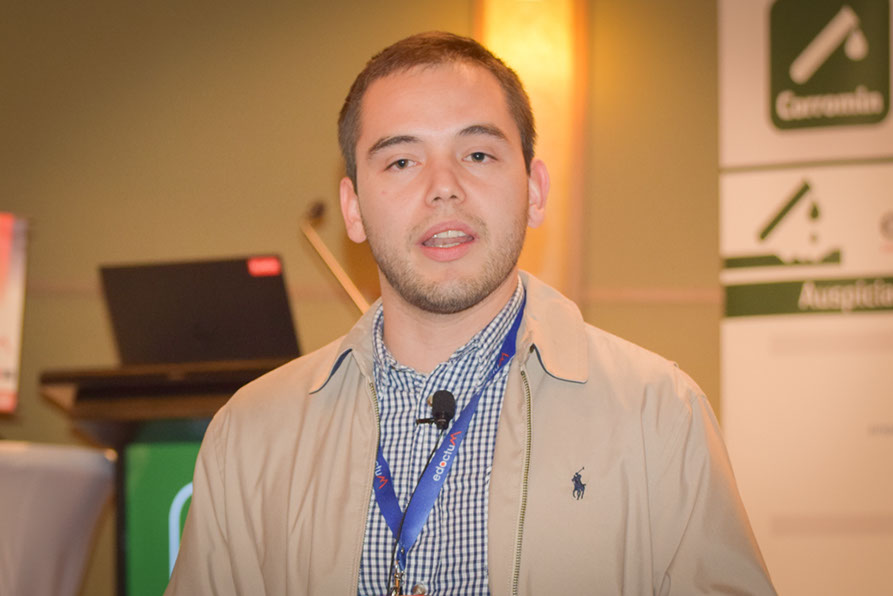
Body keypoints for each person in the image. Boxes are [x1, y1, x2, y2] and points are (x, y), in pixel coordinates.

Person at [167, 31, 775, 596]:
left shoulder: (659, 415)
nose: (444, 187)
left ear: (534, 190)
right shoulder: (249, 434)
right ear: (353, 209)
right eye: (401, 161)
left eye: (478, 154)